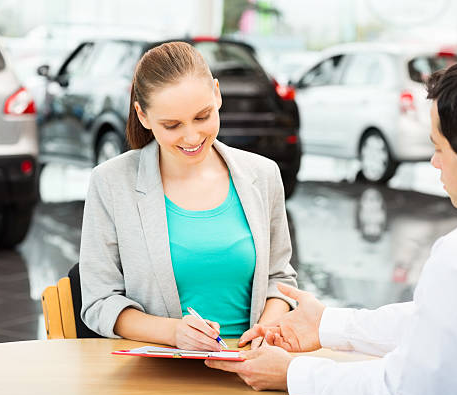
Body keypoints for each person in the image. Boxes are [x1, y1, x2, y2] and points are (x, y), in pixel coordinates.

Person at [206, 53, 457, 395]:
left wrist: (293, 373)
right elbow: (440, 324)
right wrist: (328, 323)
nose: (435, 162)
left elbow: (408, 394)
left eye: (439, 147)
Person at [79, 41, 297, 351]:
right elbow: (99, 301)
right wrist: (173, 333)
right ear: (142, 115)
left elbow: (280, 280)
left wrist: (266, 331)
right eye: (172, 125)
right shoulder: (111, 183)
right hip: (159, 378)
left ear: (217, 94)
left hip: (251, 369)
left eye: (202, 116)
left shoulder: (262, 175)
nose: (192, 137)